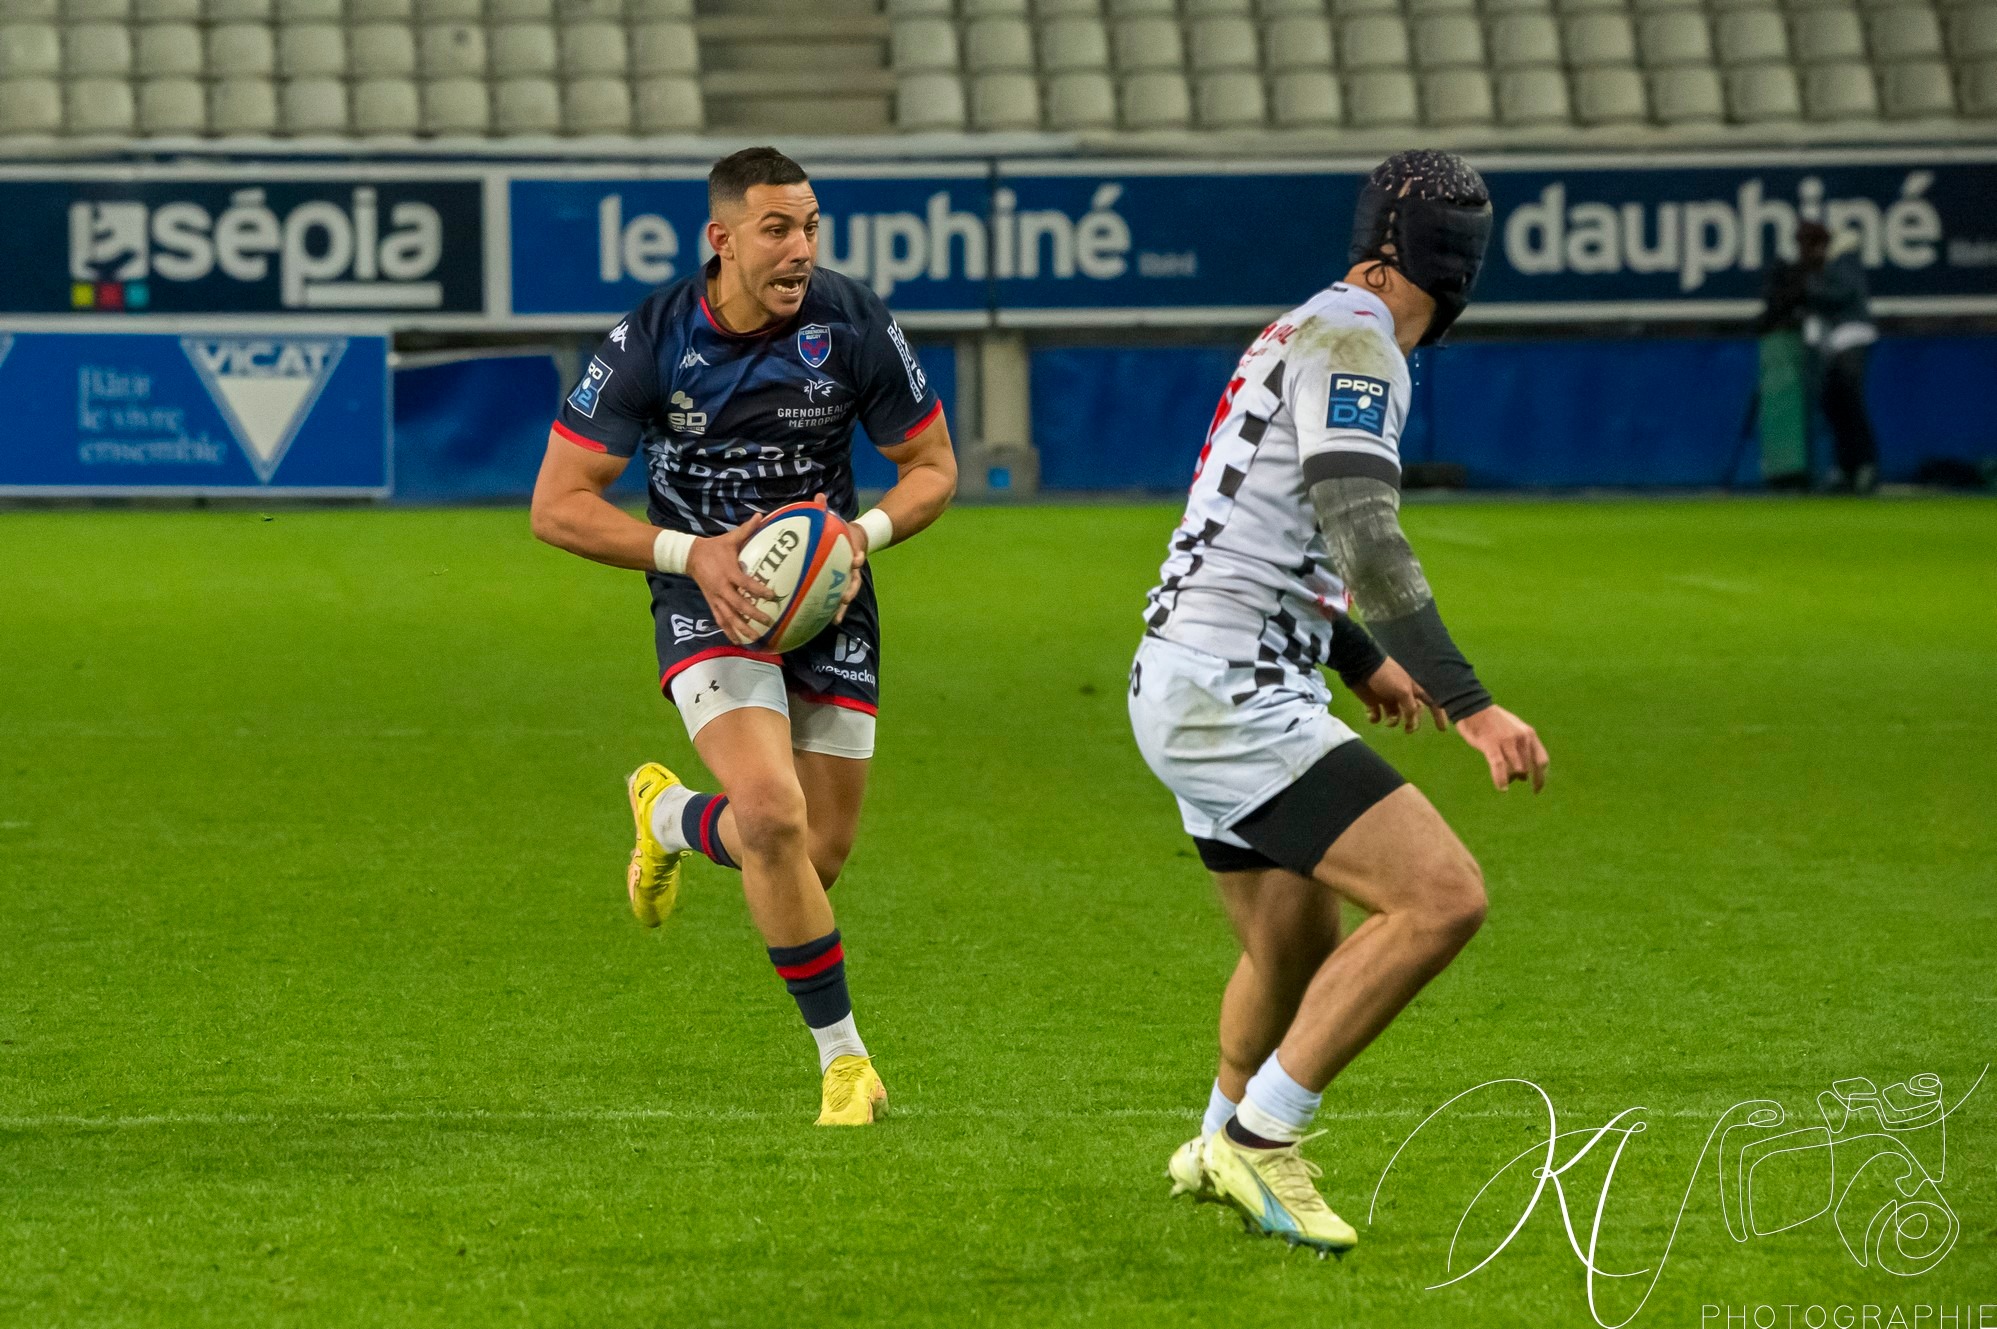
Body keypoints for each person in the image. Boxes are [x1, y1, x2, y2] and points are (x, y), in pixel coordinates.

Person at [1127, 150, 1550, 1255]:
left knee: (1289, 951)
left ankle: (1215, 1137)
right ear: (1450, 262)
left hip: (1188, 669)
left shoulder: (1307, 325)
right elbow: (1360, 530)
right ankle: (1264, 1139)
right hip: (1231, 691)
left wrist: (1355, 656)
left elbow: (1256, 513)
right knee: (1441, 898)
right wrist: (1470, 703)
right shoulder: (1357, 341)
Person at [528, 146, 957, 1126]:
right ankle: (844, 1063)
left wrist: (862, 534)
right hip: (703, 598)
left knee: (818, 853)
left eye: (809, 225)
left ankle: (671, 818)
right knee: (770, 817)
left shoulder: (851, 322)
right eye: (777, 228)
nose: (799, 247)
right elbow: (557, 506)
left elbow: (931, 464)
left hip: (827, 601)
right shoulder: (649, 340)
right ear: (720, 240)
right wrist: (692, 555)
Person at [1758, 220, 1880, 493]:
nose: (1805, 250)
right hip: (1833, 341)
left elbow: (1842, 292)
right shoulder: (1818, 267)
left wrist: (1807, 289)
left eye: (1809, 243)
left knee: (1849, 401)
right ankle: (1846, 468)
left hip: (1852, 334)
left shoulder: (1843, 257)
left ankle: (1864, 466)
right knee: (1833, 403)